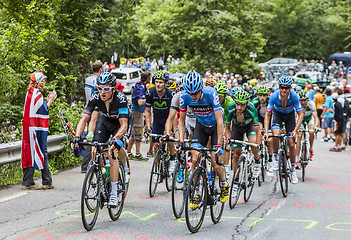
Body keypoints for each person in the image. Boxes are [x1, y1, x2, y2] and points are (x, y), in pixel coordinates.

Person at [73, 72, 130, 207]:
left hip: (120, 124)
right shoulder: (95, 97)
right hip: (105, 121)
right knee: (95, 148)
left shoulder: (120, 99)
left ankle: (115, 192)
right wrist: (76, 137)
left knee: (113, 151)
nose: (102, 92)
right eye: (99, 88)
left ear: (113, 89)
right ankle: (102, 174)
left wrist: (115, 139)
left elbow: (124, 125)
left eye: (106, 89)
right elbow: (84, 119)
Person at [178, 70, 228, 207]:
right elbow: (181, 122)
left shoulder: (210, 93)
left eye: (195, 93)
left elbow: (220, 121)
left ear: (201, 88)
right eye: (190, 93)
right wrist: (181, 141)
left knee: (216, 163)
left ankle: (224, 183)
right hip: (201, 127)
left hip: (215, 127)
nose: (193, 96)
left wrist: (218, 145)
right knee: (194, 159)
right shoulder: (184, 96)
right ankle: (197, 190)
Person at [264, 76, 303, 184]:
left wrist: (295, 130)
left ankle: (293, 170)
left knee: (291, 143)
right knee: (275, 135)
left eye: (286, 88)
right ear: (279, 87)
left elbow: (300, 115)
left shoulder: (294, 96)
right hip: (278, 115)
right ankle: (276, 158)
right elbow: (268, 115)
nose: (284, 90)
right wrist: (267, 132)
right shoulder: (274, 96)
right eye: (282, 87)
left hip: (290, 117)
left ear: (290, 88)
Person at [21, 72, 57, 190]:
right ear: (38, 82)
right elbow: (44, 109)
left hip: (28, 128)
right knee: (42, 150)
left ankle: (27, 181)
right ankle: (47, 181)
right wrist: (50, 99)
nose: (44, 83)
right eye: (43, 80)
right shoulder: (37, 93)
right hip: (35, 129)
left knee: (29, 152)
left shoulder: (29, 92)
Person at [224, 90, 260, 180]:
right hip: (237, 128)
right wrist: (228, 139)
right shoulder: (230, 108)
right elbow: (227, 128)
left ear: (247, 103)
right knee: (236, 154)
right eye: (237, 104)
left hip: (249, 127)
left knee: (253, 143)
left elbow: (257, 129)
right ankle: (235, 180)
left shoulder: (251, 108)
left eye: (242, 105)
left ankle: (257, 160)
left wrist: (258, 143)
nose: (239, 107)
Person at [145, 70, 176, 172]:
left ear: (166, 83)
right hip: (157, 121)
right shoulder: (150, 92)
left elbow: (173, 115)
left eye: (161, 82)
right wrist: (148, 127)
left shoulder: (171, 94)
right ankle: (158, 167)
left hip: (168, 119)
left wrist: (171, 130)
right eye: (157, 82)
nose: (158, 84)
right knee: (155, 145)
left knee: (169, 137)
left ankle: (172, 158)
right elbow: (148, 112)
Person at [82, 61, 103, 173]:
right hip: (96, 110)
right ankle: (90, 164)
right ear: (100, 70)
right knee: (96, 138)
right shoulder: (98, 81)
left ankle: (87, 164)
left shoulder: (88, 79)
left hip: (88, 109)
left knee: (90, 136)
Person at [127, 71, 151, 161]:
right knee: (138, 133)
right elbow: (139, 102)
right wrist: (149, 99)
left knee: (134, 134)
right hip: (137, 112)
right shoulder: (140, 87)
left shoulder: (140, 85)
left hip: (137, 111)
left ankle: (129, 152)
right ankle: (137, 153)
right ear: (148, 78)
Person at [214, 80, 234, 178]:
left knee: (226, 144)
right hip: (216, 122)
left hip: (227, 122)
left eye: (221, 96)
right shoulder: (213, 100)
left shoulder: (230, 103)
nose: (219, 98)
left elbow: (231, 121)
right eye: (217, 95)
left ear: (225, 95)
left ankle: (226, 166)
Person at [295, 90, 319, 166]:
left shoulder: (311, 103)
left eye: (304, 100)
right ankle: (297, 159)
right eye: (301, 100)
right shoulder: (297, 104)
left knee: (311, 132)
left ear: (307, 99)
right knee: (299, 136)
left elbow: (315, 117)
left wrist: (316, 126)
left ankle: (311, 149)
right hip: (300, 119)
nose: (303, 102)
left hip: (309, 119)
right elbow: (295, 116)